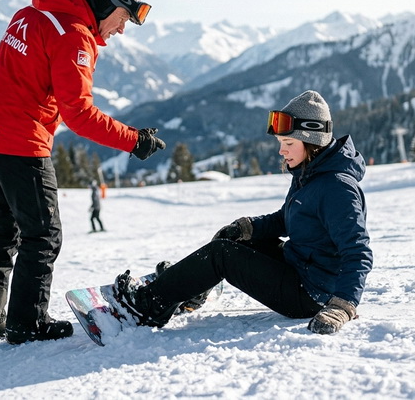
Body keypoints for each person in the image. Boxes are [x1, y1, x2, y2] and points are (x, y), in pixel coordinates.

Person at [0, 0, 165, 345]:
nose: (122, 30)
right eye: (123, 18)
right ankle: (27, 323)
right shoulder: (74, 36)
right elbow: (80, 115)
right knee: (43, 235)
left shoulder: (32, 13)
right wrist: (134, 140)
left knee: (3, 228)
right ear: (104, 3)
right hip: (19, 142)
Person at [113, 90, 374, 335]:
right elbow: (289, 218)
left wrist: (343, 306)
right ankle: (189, 292)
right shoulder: (310, 172)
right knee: (233, 239)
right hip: (299, 267)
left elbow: (357, 251)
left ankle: (149, 305)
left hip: (311, 294)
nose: (281, 150)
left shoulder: (337, 188)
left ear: (312, 141)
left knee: (221, 255)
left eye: (288, 142)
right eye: (280, 142)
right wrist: (248, 227)